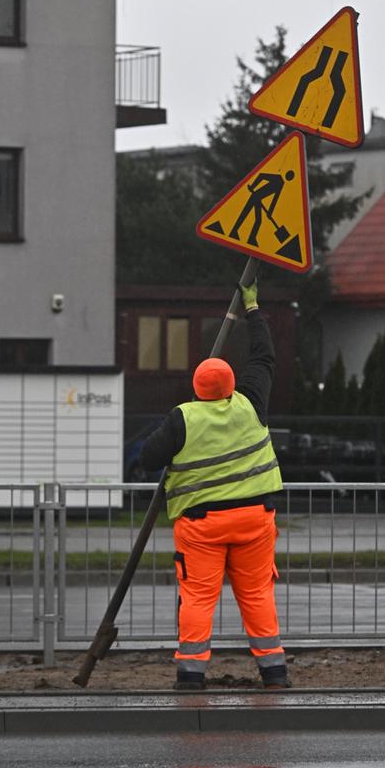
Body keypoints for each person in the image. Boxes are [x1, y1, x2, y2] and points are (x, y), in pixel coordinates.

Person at [139, 279, 289, 691]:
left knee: (199, 599)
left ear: (197, 388)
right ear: (230, 385)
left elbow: (147, 458)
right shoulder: (251, 401)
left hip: (203, 526)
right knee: (257, 595)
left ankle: (191, 676)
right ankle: (274, 672)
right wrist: (254, 308)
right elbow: (265, 356)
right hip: (256, 518)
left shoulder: (182, 418)